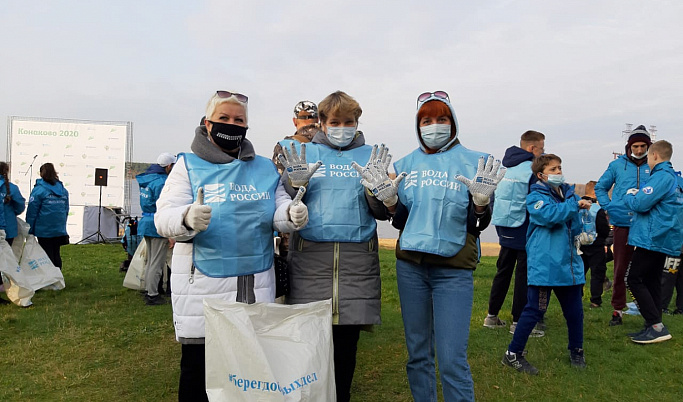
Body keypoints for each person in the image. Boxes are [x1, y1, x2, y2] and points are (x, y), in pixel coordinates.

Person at [154, 90, 304, 402]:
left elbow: (277, 210)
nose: (231, 124)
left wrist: (291, 214)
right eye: (224, 118)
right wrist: (186, 218)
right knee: (198, 371)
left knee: (248, 372)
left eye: (239, 120)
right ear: (207, 123)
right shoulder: (188, 166)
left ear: (247, 127)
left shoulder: (264, 168)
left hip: (254, 282)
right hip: (203, 286)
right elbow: (163, 218)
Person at [390, 91, 504, 401]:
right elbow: (401, 220)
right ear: (418, 125)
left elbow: (478, 224)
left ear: (453, 123)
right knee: (418, 356)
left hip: (453, 272)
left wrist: (481, 205)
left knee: (452, 360)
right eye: (426, 120)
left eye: (442, 119)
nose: (434, 125)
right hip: (410, 269)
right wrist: (388, 202)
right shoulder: (405, 164)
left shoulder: (475, 161)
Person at [278, 91, 391, 402]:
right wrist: (295, 183)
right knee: (309, 344)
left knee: (345, 345)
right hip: (310, 261)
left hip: (357, 263)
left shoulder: (371, 155)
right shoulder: (304, 153)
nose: (343, 126)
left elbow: (381, 212)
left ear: (357, 123)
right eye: (335, 121)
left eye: (349, 121)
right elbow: (286, 203)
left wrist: (379, 194)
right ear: (323, 124)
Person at [502, 154, 590, 375]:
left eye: (560, 167)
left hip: (568, 264)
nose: (559, 172)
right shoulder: (535, 197)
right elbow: (549, 216)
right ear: (541, 175)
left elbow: (574, 224)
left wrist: (583, 233)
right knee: (534, 309)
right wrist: (574, 205)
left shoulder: (567, 195)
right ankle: (513, 354)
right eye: (554, 169)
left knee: (575, 311)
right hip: (545, 264)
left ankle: (576, 350)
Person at [485, 130, 545, 338]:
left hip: (504, 226)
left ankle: (491, 316)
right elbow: (536, 202)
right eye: (541, 149)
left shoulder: (504, 168)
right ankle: (519, 321)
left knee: (503, 271)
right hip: (524, 227)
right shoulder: (532, 171)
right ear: (532, 148)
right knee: (523, 275)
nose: (543, 153)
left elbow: (492, 197)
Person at [624, 140, 683, 343]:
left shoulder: (660, 177)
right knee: (652, 281)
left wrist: (630, 195)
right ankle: (654, 324)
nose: (647, 160)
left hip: (652, 237)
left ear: (655, 156)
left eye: (648, 156)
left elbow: (641, 203)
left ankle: (656, 325)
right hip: (667, 236)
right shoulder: (676, 179)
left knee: (633, 279)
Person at [595, 125, 651, 326]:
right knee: (620, 268)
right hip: (622, 222)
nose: (638, 150)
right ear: (629, 146)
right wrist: (609, 207)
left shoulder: (654, 165)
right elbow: (601, 187)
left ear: (648, 146)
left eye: (642, 146)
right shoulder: (617, 165)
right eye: (635, 146)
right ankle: (617, 310)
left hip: (646, 223)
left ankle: (649, 311)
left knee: (648, 269)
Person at [271, 101, 322, 260]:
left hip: (294, 231)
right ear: (318, 119)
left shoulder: (285, 146)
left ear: (295, 121)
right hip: (326, 231)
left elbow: (277, 189)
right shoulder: (331, 145)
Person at [136, 152, 176, 305]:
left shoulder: (147, 180)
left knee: (150, 260)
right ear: (168, 166)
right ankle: (152, 294)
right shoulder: (162, 182)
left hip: (145, 221)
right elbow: (164, 207)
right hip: (156, 224)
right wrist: (170, 234)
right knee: (157, 263)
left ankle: (148, 289)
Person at [25, 163, 69, 269]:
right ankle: (58, 277)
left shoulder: (39, 190)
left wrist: (29, 228)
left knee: (47, 254)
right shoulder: (63, 190)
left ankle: (51, 279)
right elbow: (66, 209)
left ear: (41, 174)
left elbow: (32, 211)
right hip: (58, 228)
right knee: (56, 253)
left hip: (44, 229)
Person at [580, 180, 611, 307]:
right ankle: (595, 300)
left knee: (580, 272)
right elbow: (604, 228)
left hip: (579, 244)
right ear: (594, 192)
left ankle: (577, 297)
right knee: (597, 273)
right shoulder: (597, 209)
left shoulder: (578, 206)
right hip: (595, 244)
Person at [0, 162, 26, 246]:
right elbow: (20, 205)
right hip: (9, 227)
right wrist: (12, 212)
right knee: (6, 257)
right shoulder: (12, 188)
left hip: (6, 227)